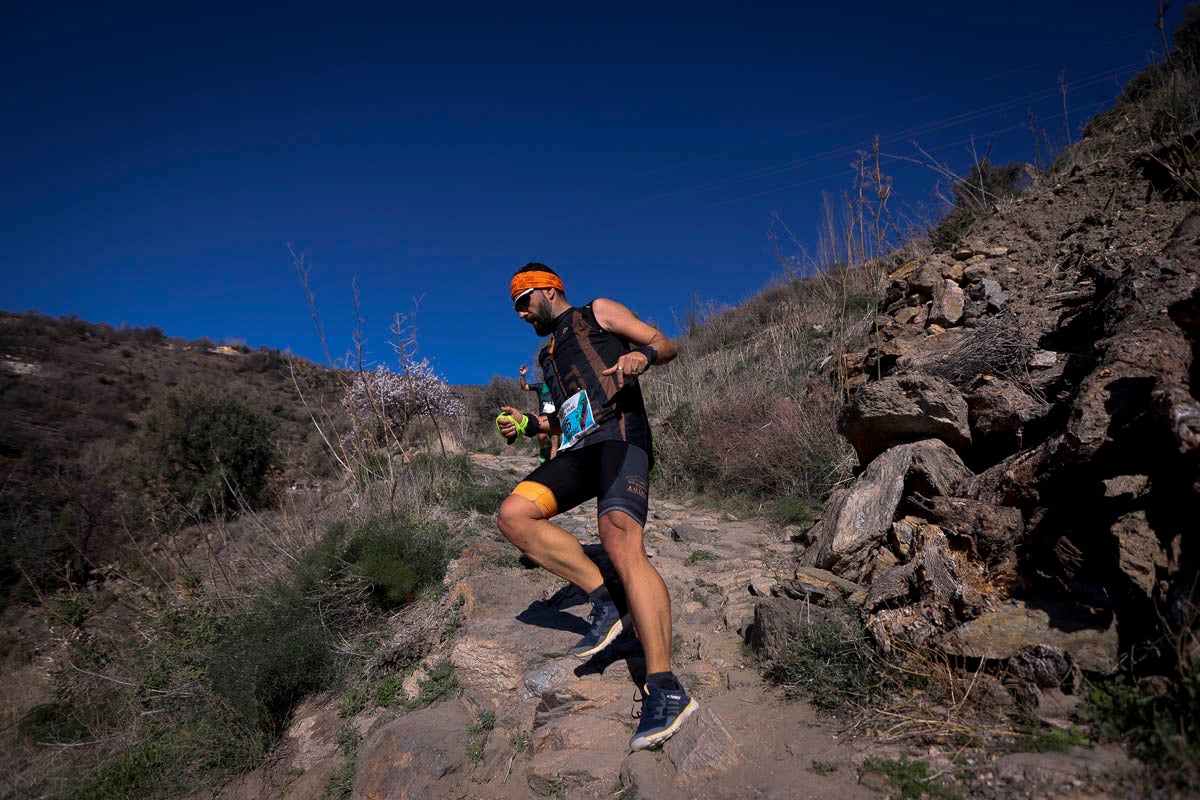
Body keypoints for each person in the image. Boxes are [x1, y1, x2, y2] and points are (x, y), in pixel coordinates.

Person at [496, 262, 697, 752]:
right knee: (513, 516)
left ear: (547, 289)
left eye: (523, 301)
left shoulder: (597, 312)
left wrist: (641, 359)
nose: (521, 313)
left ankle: (666, 687)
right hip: (580, 450)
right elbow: (563, 422)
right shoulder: (548, 356)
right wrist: (527, 426)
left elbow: (667, 344)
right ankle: (606, 601)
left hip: (620, 440)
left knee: (620, 541)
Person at [518, 364, 560, 462]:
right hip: (543, 416)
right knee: (542, 436)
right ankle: (542, 450)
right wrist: (523, 376)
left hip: (555, 417)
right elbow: (524, 387)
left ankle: (552, 465)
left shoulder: (559, 387)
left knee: (555, 440)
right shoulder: (541, 386)